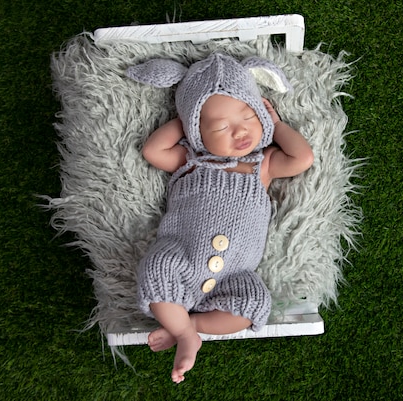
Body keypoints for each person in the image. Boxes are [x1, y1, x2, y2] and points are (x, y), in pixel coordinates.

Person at [126, 53, 314, 383]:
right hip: (181, 259)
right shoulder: (190, 159)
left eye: (249, 116)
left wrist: (279, 125)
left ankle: (190, 327)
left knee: (254, 304)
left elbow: (302, 157)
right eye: (221, 126)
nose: (240, 130)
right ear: (196, 131)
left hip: (233, 275)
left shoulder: (262, 165)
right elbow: (153, 152)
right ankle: (183, 331)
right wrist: (183, 121)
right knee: (156, 272)